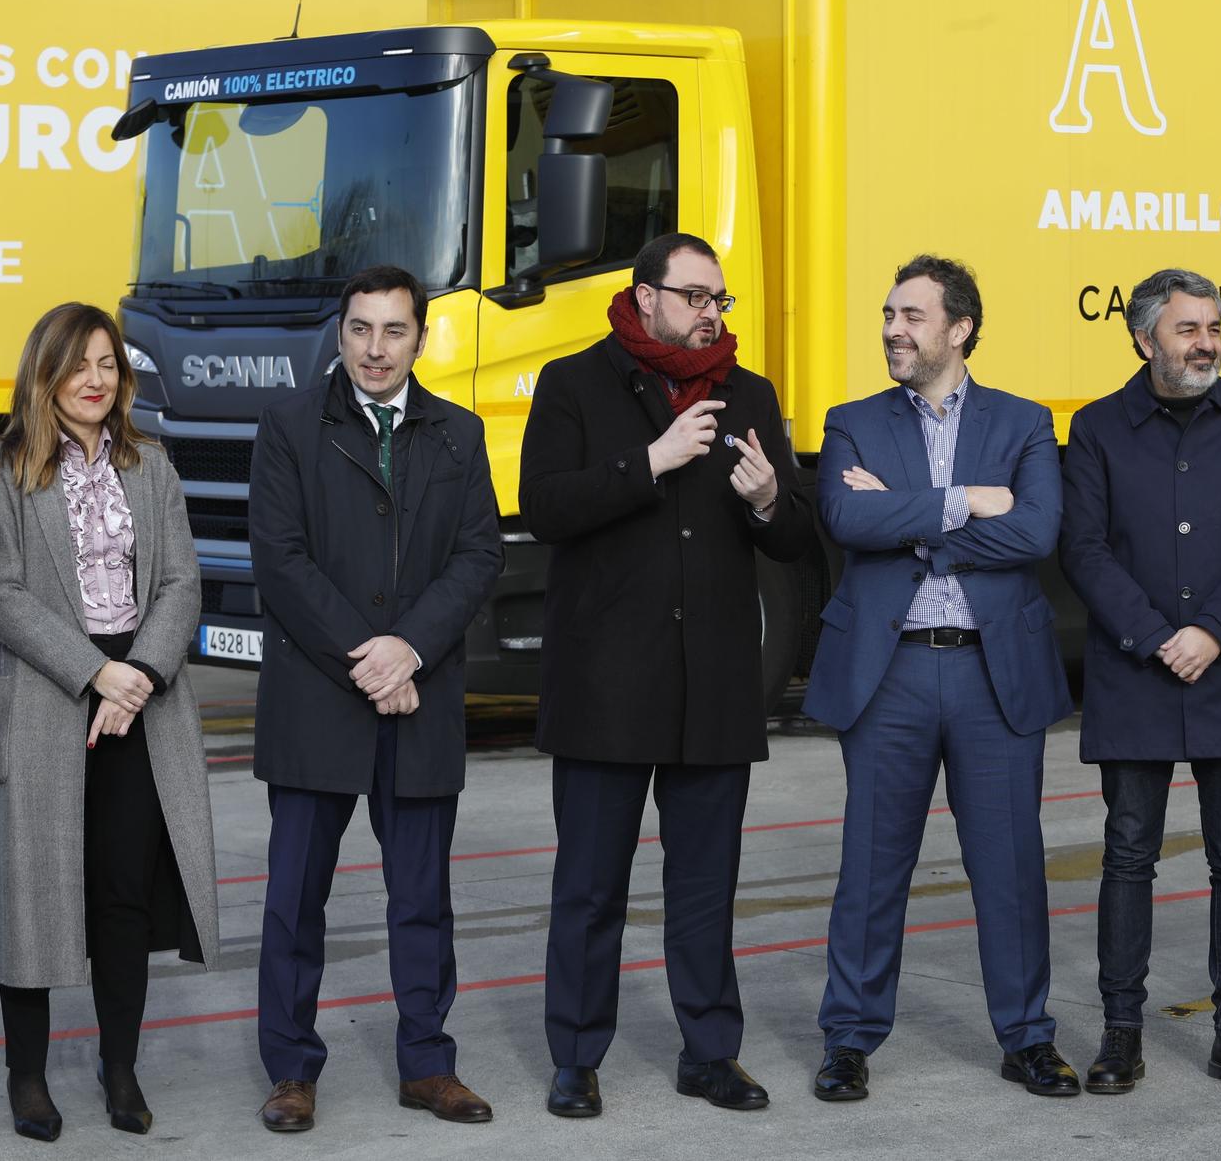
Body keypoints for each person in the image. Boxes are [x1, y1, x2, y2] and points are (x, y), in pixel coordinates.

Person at [521, 232, 814, 1119]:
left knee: (704, 887)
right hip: (608, 686)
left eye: (719, 301)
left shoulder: (749, 392)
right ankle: (576, 1056)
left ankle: (710, 1052)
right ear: (645, 296)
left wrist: (769, 498)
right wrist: (649, 461)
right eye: (695, 297)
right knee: (591, 885)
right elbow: (545, 507)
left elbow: (798, 537)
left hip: (714, 686)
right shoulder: (574, 384)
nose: (710, 314)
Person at [804, 254, 1078, 1103]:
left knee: (1009, 866)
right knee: (871, 867)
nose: (892, 328)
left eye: (912, 316)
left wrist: (915, 517)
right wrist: (967, 501)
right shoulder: (851, 420)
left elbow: (1035, 534)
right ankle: (849, 1038)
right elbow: (847, 516)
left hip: (991, 673)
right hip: (888, 674)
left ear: (958, 328)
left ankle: (1028, 1037)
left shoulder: (1026, 422)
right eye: (888, 313)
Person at [248, 266, 502, 1133]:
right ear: (341, 332)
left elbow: (478, 559)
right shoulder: (289, 427)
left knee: (423, 897)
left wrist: (412, 650)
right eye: (360, 329)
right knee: (294, 899)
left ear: (420, 339)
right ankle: (290, 1069)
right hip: (324, 695)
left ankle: (428, 1064)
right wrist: (369, 660)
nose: (376, 348)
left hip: (418, 699)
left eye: (394, 331)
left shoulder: (460, 435)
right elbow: (280, 560)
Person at [0, 303, 220, 1140]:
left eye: (108, 364)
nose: (95, 380)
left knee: (121, 895)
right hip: (49, 694)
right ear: (45, 372)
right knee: (33, 892)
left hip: (140, 700)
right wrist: (96, 670)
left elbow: (183, 582)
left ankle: (120, 1069)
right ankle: (29, 1078)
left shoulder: (151, 465)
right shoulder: (2, 466)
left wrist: (139, 672)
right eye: (78, 364)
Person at [1060, 268, 1221, 1095]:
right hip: (1137, 675)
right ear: (1144, 337)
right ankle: (1120, 1032)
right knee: (1129, 856)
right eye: (1189, 328)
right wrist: (1160, 637)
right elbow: (1084, 549)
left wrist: (1211, 632)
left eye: (1214, 327)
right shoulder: (1095, 429)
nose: (1207, 343)